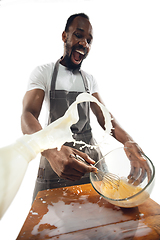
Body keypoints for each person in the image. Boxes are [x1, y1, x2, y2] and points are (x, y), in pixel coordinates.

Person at [21, 13, 150, 201]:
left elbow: (105, 117)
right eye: (79, 35)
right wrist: (51, 152)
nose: (84, 44)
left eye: (89, 40)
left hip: (91, 160)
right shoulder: (44, 73)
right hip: (57, 158)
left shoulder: (89, 80)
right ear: (65, 36)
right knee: (49, 223)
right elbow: (28, 115)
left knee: (101, 219)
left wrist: (128, 141)